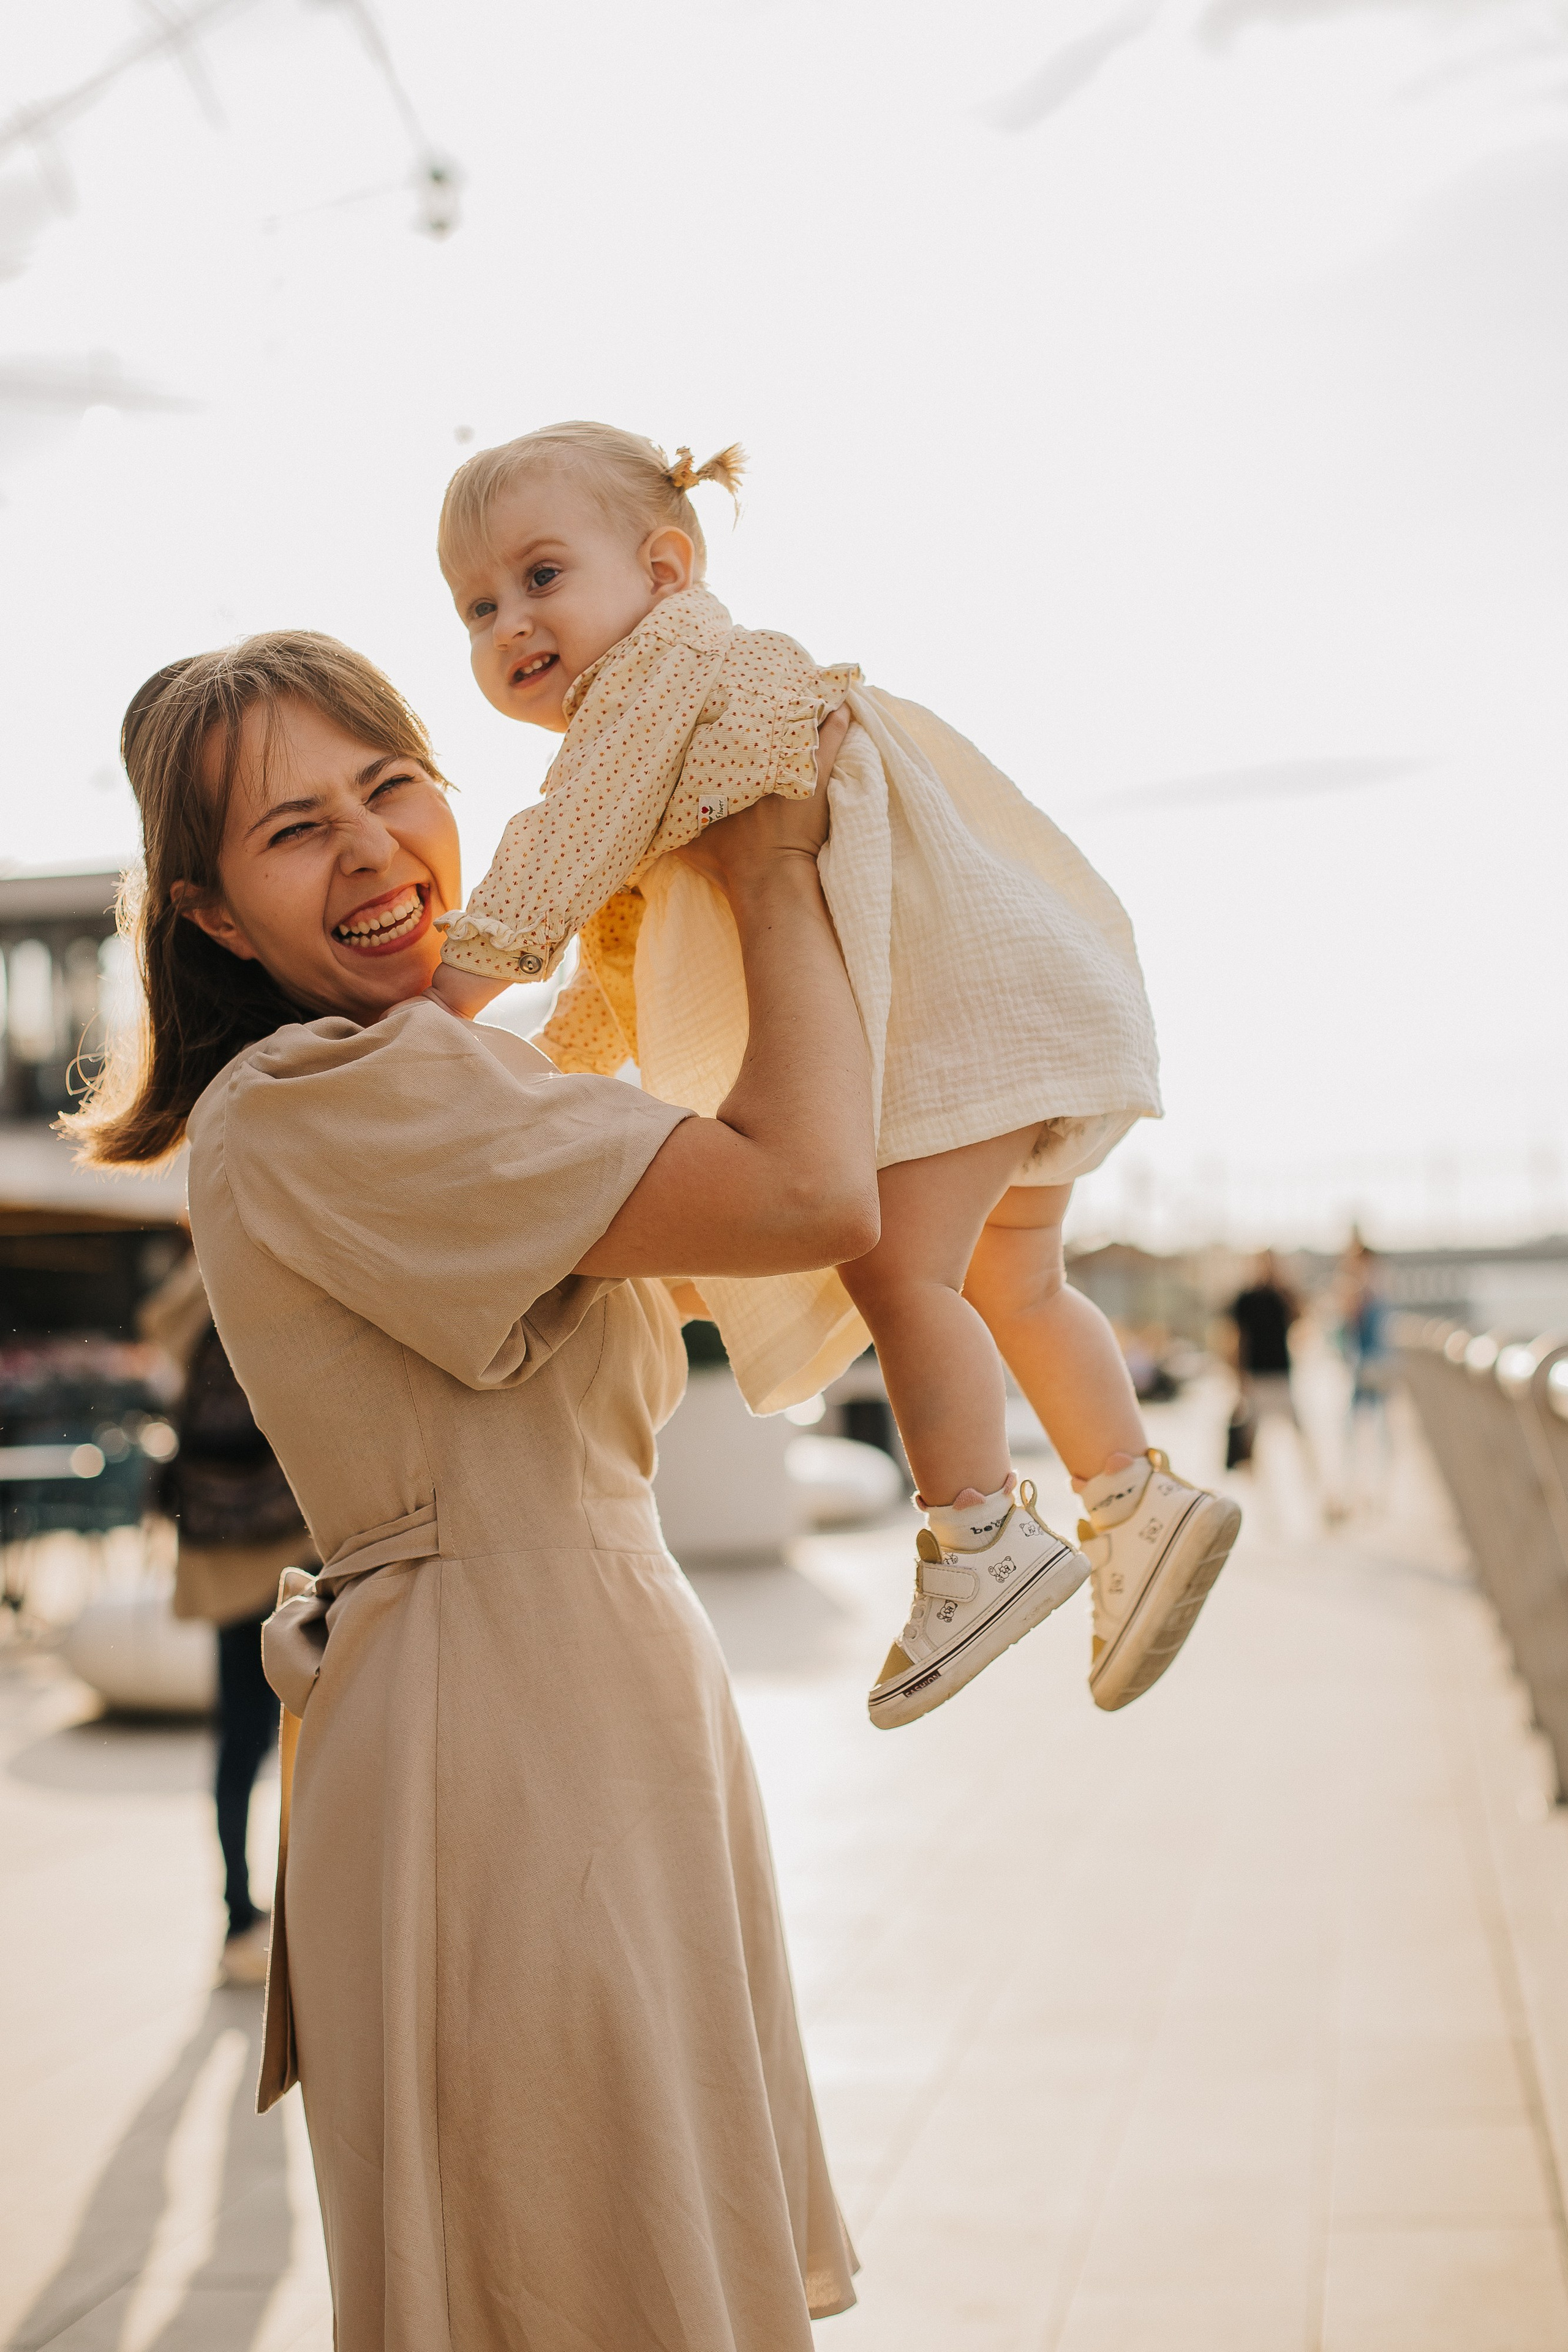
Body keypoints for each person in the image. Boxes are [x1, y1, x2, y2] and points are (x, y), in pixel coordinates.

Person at [67, 631, 869, 2348]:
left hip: (569, 1698)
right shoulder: (319, 1095)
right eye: (293, 831)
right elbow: (811, 1195)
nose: (367, 849)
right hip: (509, 1728)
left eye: (389, 786)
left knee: (609, 2250)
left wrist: (502, 948)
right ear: (212, 918)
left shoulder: (417, 1072)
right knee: (584, 2263)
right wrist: (765, 851)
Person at [429, 421, 1242, 1725]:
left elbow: (557, 844)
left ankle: (977, 1535)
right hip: (995, 1015)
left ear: (666, 569)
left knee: (893, 1269)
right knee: (1012, 1282)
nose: (508, 624)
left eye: (539, 577)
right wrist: (508, 1067)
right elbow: (611, 984)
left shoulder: (662, 674)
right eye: (474, 607)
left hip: (931, 1023)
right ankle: (1134, 1501)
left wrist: (443, 994)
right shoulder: (663, 738)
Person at [140, 1245, 314, 1986]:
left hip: (217, 1546)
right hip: (292, 1541)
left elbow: (160, 1336)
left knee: (238, 1739)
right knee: (317, 1737)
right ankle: (298, 1910)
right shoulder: (282, 1270)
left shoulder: (195, 1292)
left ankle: (239, 1918)